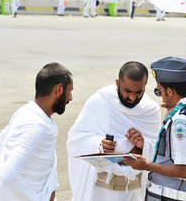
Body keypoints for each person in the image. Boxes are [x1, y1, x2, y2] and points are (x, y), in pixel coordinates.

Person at [67, 61, 161, 201]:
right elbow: (75, 139)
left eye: (138, 92)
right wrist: (99, 144)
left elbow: (160, 152)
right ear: (118, 83)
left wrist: (143, 144)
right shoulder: (100, 101)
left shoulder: (150, 110)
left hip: (133, 192)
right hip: (100, 192)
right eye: (128, 91)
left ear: (145, 86)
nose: (132, 97)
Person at [125, 57, 186, 201]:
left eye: (159, 91)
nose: (160, 96)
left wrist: (147, 166)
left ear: (169, 91)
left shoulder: (180, 122)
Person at [0, 63, 73, 201]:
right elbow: (9, 177)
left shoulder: (26, 113)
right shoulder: (37, 126)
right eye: (69, 90)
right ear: (59, 89)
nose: (70, 97)